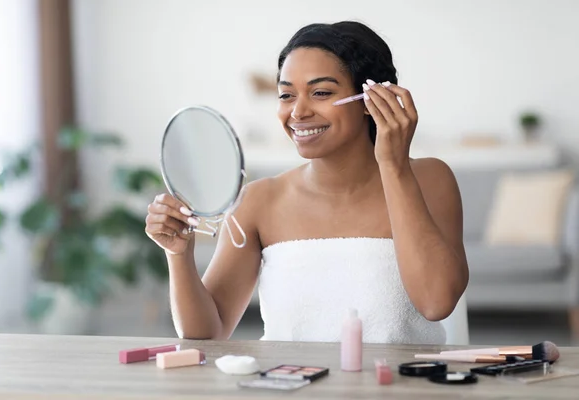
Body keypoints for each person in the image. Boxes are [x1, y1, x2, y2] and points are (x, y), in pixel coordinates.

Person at [145, 21, 469, 344]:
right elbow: (207, 333)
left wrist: (394, 166)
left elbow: (436, 302)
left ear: (372, 99)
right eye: (286, 95)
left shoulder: (430, 179)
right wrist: (178, 254)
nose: (298, 112)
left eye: (321, 93)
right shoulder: (258, 201)